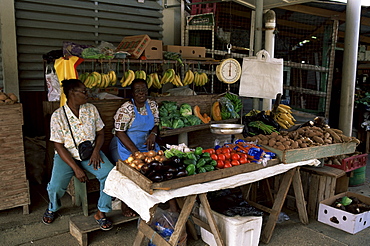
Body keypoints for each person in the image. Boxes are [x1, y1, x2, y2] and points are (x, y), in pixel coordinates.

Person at [42, 79, 115, 231]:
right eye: (83, 91)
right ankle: (53, 207)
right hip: (67, 157)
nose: (86, 94)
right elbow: (58, 145)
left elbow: (101, 133)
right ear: (71, 93)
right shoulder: (58, 116)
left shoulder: (91, 109)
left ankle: (101, 211)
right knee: (55, 187)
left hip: (90, 154)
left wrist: (96, 152)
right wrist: (76, 168)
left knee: (110, 175)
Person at [109, 78, 160, 216]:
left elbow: (156, 123)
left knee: (157, 165)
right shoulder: (126, 109)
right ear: (132, 93)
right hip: (124, 146)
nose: (141, 93)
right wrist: (135, 152)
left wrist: (153, 134)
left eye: (144, 89)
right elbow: (119, 132)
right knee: (130, 171)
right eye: (137, 90)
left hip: (145, 145)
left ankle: (149, 201)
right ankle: (126, 204)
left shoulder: (152, 105)